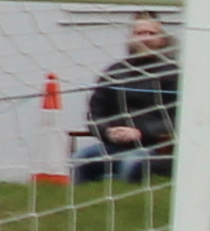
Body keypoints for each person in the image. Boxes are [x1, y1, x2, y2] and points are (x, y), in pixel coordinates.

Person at [74, 14, 181, 185]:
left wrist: (141, 132)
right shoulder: (114, 73)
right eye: (140, 33)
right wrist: (109, 132)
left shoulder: (174, 74)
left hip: (157, 149)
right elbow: (95, 114)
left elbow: (178, 119)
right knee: (80, 159)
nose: (145, 38)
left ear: (162, 40)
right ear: (131, 38)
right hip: (114, 146)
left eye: (151, 33)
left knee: (131, 164)